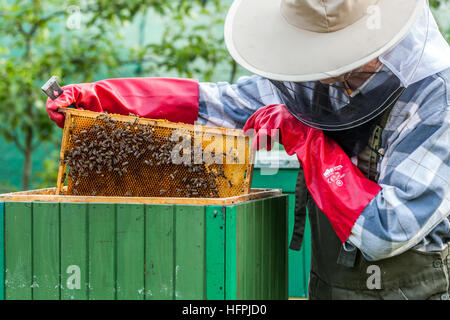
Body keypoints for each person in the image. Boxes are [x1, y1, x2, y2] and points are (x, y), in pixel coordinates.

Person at [46, 0, 450, 299]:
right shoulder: (320, 76)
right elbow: (221, 105)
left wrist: (308, 141)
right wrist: (105, 99)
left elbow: (387, 229)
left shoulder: (438, 97)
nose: (328, 73)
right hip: (330, 286)